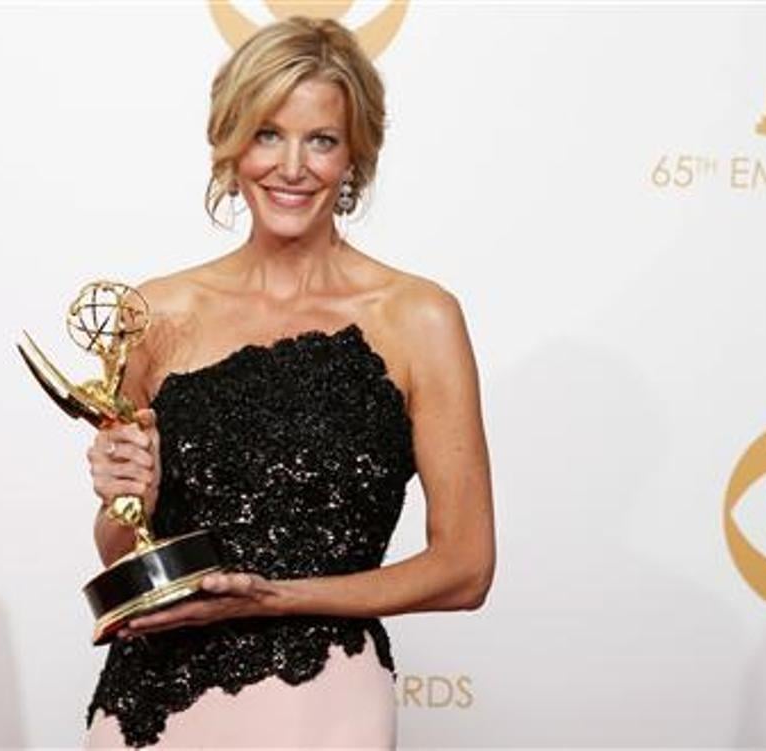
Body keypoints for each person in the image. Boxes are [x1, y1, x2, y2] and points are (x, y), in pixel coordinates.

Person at [82, 16, 495, 750]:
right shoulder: (154, 313)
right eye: (268, 133)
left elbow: (464, 567)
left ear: (355, 153)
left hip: (321, 698)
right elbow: (122, 550)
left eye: (322, 139)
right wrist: (126, 495)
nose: (292, 166)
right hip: (150, 696)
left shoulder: (417, 317)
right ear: (231, 140)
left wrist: (276, 599)